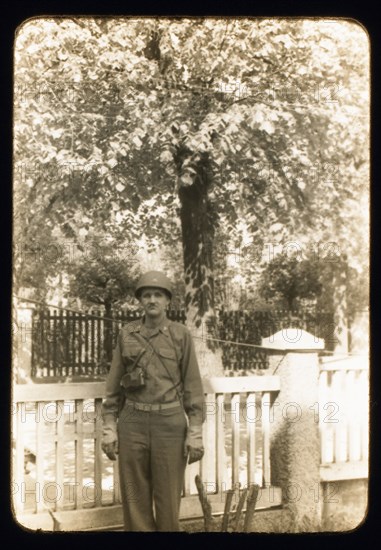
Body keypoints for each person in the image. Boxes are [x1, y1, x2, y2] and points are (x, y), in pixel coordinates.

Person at [101, 271, 204, 531]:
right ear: (140, 301)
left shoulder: (181, 335)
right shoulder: (127, 334)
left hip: (169, 424)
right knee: (134, 499)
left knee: (168, 501)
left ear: (167, 301)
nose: (152, 299)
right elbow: (113, 388)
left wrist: (195, 432)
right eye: (146, 295)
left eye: (158, 294)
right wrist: (109, 428)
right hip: (132, 422)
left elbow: (193, 386)